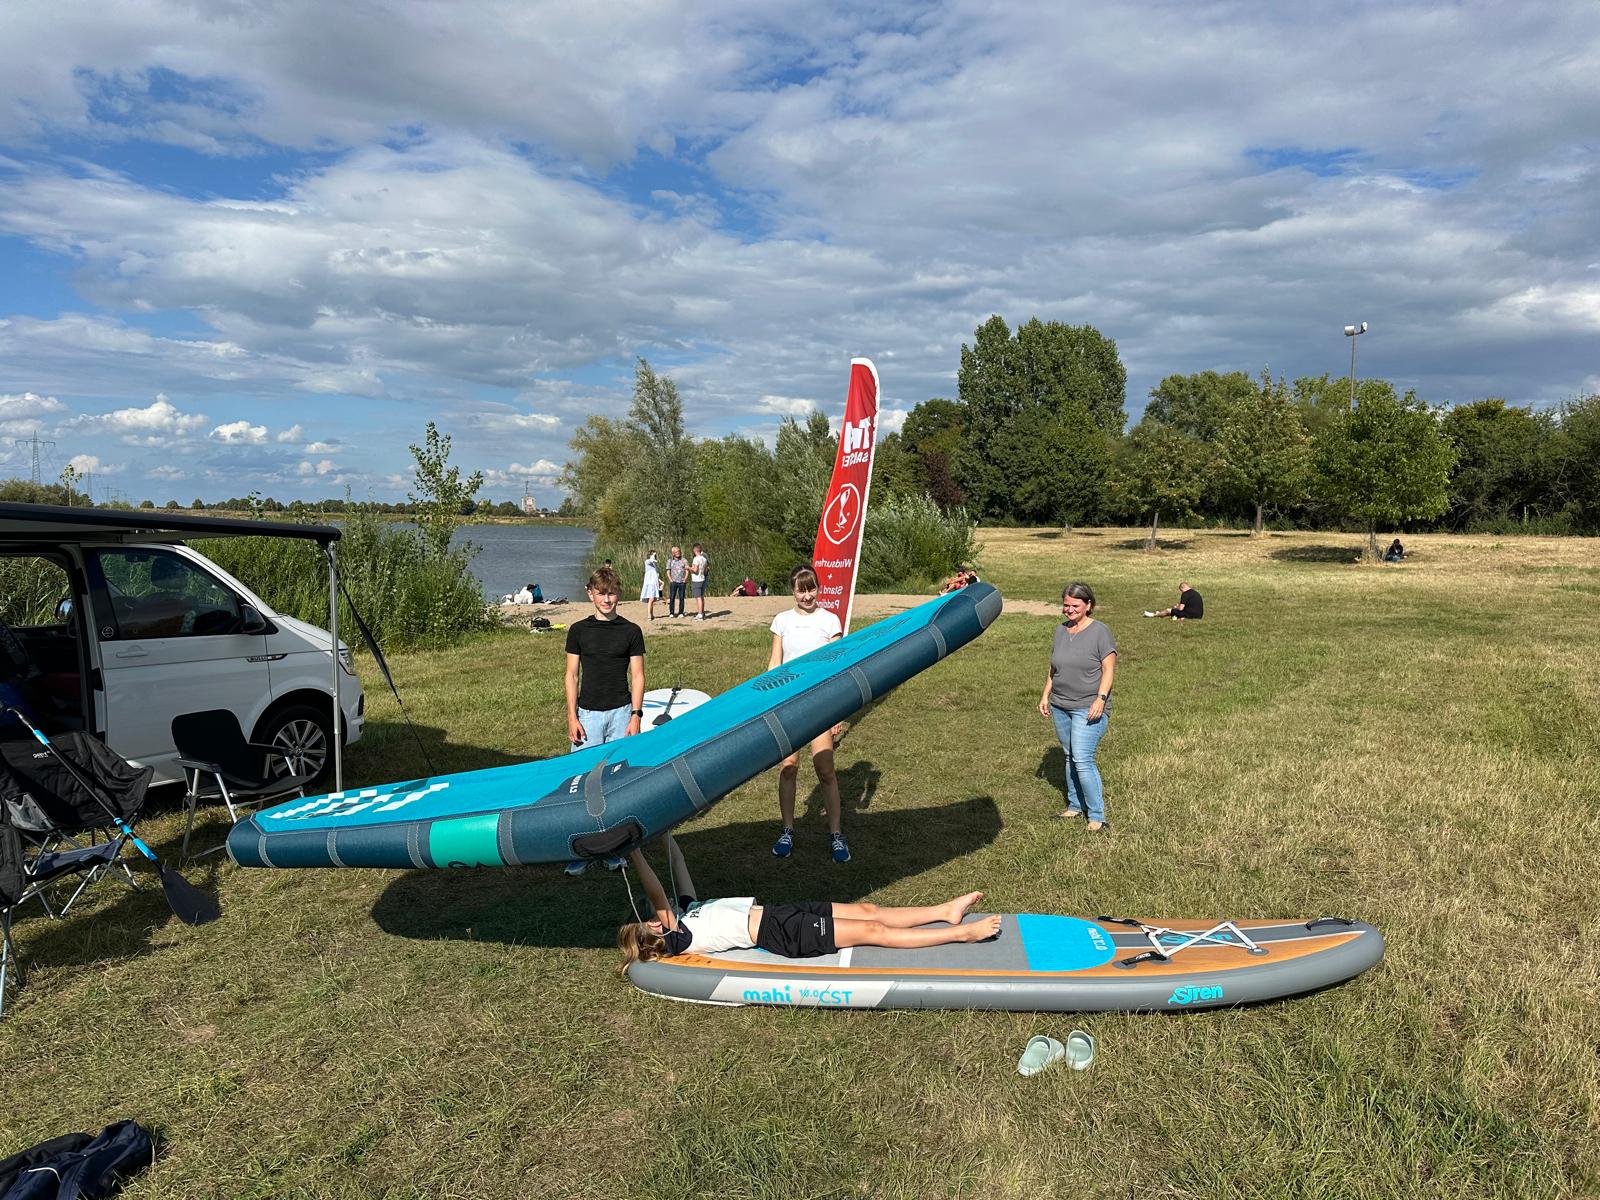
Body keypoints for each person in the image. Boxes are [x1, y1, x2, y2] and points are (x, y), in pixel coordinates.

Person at [617, 833, 1001, 969]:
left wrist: (663, 834)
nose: (655, 915)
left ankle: (944, 912)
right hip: (784, 933)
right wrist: (633, 852)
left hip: (779, 912)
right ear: (654, 931)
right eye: (651, 920)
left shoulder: (689, 913)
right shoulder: (677, 936)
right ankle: (963, 934)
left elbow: (678, 864)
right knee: (872, 930)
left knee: (869, 911)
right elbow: (657, 893)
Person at [563, 566, 646, 874]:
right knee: (581, 782)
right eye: (601, 593)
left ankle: (612, 848)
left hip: (621, 714)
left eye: (611, 593)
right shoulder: (578, 631)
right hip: (587, 715)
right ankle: (581, 850)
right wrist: (572, 716)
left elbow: (637, 676)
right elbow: (572, 675)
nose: (607, 599)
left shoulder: (631, 631)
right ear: (591, 594)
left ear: (619, 594)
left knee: (614, 782)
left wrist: (635, 716)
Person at [768, 564, 850, 862]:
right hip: (788, 704)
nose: (807, 595)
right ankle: (788, 830)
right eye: (801, 589)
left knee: (825, 770)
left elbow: (837, 670)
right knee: (788, 767)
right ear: (792, 590)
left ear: (819, 588)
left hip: (820, 704)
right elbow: (774, 664)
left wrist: (838, 709)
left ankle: (836, 835)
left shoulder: (830, 621)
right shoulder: (782, 621)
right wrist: (768, 702)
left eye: (811, 588)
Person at [1040, 581, 1117, 832]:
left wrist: (1100, 699)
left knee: (1083, 759)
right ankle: (1075, 806)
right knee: (1070, 756)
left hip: (1089, 706)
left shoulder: (1100, 632)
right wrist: (1045, 695)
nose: (1069, 610)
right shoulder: (1060, 631)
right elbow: (1054, 667)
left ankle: (1097, 816)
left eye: (1075, 605)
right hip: (1060, 704)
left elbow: (1109, 669)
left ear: (1088, 605)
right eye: (1065, 605)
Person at [665, 546, 689, 618]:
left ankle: (681, 612)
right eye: (676, 552)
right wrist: (671, 580)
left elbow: (687, 570)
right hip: (673, 582)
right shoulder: (670, 561)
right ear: (673, 553)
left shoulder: (684, 560)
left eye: (679, 551)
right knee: (672, 597)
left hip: (682, 582)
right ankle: (671, 613)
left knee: (681, 597)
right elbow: (668, 571)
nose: (678, 553)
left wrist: (685, 579)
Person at [640, 551, 662, 620]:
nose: (655, 556)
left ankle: (652, 615)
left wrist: (659, 580)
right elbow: (650, 561)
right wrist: (653, 556)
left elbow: (655, 574)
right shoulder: (647, 562)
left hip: (654, 583)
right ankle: (649, 615)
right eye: (653, 555)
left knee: (652, 599)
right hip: (649, 583)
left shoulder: (654, 565)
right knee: (651, 599)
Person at [690, 543, 709, 620]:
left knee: (698, 598)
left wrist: (688, 568)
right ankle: (702, 612)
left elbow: (695, 570)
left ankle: (700, 614)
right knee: (701, 596)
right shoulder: (704, 559)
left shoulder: (696, 559)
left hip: (696, 579)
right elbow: (706, 569)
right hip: (702, 578)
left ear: (694, 550)